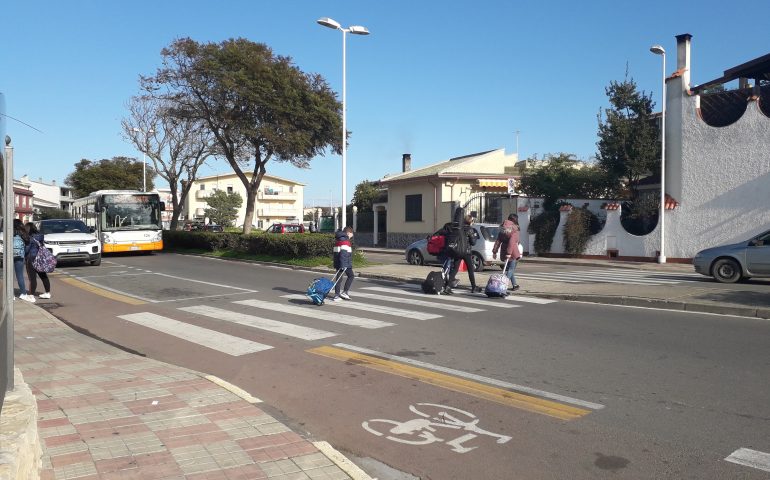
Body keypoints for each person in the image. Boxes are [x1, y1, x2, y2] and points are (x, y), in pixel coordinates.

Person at [446, 210, 481, 294]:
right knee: (470, 269)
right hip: (467, 252)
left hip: (458, 251)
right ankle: (473, 287)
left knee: (455, 269)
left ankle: (447, 286)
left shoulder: (459, 228)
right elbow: (473, 242)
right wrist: (474, 237)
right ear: (470, 222)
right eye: (472, 221)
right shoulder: (470, 229)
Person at [492, 213, 522, 291]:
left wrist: (494, 251)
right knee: (511, 269)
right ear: (515, 220)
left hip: (504, 251)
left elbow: (498, 241)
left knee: (509, 269)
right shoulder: (515, 229)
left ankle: (515, 285)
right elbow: (512, 242)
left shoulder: (502, 228)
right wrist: (509, 253)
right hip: (512, 252)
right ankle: (503, 284)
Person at [25, 222, 52, 299]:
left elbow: (27, 250)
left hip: (31, 259)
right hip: (40, 258)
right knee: (43, 276)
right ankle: (47, 293)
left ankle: (31, 296)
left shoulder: (30, 238)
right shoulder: (40, 236)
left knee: (32, 278)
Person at [13, 219, 35, 303]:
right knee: (20, 276)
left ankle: (11, 295)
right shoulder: (24, 234)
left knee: (10, 276)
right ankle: (23, 293)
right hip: (20, 256)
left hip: (10, 256)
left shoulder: (9, 233)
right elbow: (26, 247)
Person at [332, 226, 355, 301]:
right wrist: (343, 265)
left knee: (339, 278)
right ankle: (345, 292)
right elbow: (343, 254)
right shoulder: (345, 241)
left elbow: (336, 252)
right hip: (344, 263)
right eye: (352, 233)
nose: (352, 235)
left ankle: (337, 295)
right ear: (348, 233)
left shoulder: (339, 239)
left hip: (339, 262)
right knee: (351, 276)